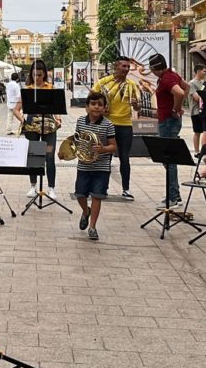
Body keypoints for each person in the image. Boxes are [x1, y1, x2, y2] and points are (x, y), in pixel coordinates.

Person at [92, 56, 141, 200]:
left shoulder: (131, 84)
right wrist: (100, 110)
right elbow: (91, 101)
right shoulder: (104, 82)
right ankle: (102, 188)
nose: (126, 69)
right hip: (108, 124)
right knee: (104, 157)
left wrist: (135, 104)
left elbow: (138, 106)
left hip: (125, 124)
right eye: (123, 66)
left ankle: (126, 189)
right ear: (116, 67)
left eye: (128, 67)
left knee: (124, 158)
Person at [72, 92, 118, 241]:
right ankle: (86, 211)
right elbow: (77, 141)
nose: (96, 107)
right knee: (80, 194)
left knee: (97, 196)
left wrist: (103, 149)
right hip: (84, 165)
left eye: (100, 105)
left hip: (101, 167)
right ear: (87, 107)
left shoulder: (108, 125)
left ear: (105, 108)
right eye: (93, 104)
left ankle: (92, 227)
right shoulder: (80, 121)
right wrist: (68, 152)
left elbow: (113, 146)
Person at [15, 60, 61, 199]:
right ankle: (33, 186)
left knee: (49, 156)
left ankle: (51, 188)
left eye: (40, 75)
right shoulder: (28, 90)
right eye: (35, 75)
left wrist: (58, 119)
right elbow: (16, 109)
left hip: (49, 124)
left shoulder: (51, 88)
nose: (37, 78)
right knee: (33, 156)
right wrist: (23, 121)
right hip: (32, 125)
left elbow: (57, 108)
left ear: (44, 74)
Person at [149, 54, 188, 209]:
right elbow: (186, 86)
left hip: (168, 122)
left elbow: (180, 92)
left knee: (168, 159)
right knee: (169, 159)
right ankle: (175, 195)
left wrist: (176, 108)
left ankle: (172, 197)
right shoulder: (172, 74)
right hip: (169, 121)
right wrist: (178, 107)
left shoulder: (166, 79)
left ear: (153, 69)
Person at [187, 66, 206, 154]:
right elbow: (196, 98)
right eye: (204, 71)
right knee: (197, 132)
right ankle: (197, 152)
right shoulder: (192, 83)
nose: (205, 73)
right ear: (198, 71)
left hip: (205, 111)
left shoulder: (205, 83)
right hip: (196, 111)